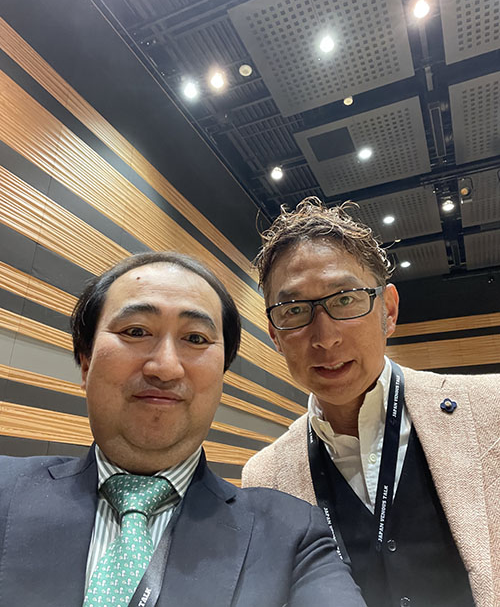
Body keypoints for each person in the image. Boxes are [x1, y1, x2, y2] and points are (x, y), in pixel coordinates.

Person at [0, 251, 366, 607]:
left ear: (221, 376)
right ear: (85, 363)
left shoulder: (293, 535)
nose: (165, 367)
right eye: (136, 331)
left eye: (195, 339)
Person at [242, 198, 499, 607]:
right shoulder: (264, 476)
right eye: (294, 310)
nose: (325, 338)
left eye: (345, 299)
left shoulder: (490, 410)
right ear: (274, 334)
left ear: (388, 311)